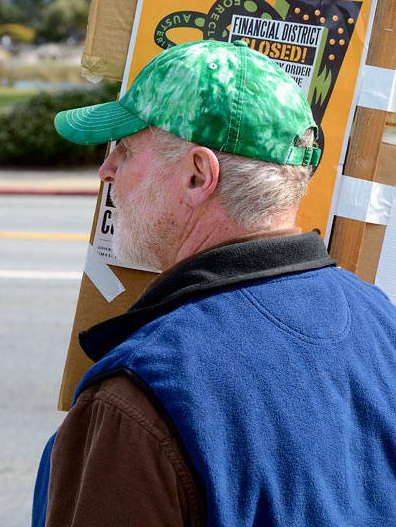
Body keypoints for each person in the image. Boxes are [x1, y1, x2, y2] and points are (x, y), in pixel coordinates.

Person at [32, 40, 396, 527]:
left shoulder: (141, 396)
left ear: (197, 176)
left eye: (125, 147)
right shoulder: (381, 321)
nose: (106, 170)